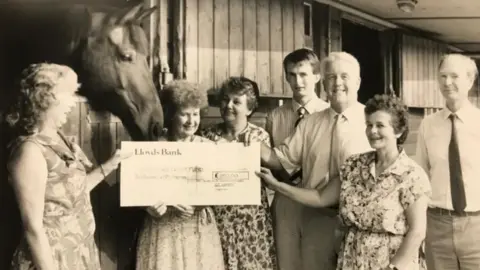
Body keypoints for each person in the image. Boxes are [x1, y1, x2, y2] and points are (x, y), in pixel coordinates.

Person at [257, 93, 431, 270]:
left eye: (380, 125)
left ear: (398, 131)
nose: (372, 131)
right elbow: (320, 197)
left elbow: (417, 232)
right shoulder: (354, 165)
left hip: (390, 263)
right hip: (352, 260)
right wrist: (277, 185)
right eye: (369, 125)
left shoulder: (412, 175)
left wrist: (393, 268)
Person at [245, 51, 371, 269]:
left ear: (358, 82)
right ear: (323, 82)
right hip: (317, 218)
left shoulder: (372, 121)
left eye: (344, 76)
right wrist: (245, 137)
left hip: (360, 223)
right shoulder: (310, 123)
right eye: (331, 77)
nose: (337, 83)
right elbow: (280, 158)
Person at [6, 63, 129, 270]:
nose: (73, 103)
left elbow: (71, 192)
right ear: (46, 99)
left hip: (79, 253)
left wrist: (110, 165)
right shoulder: (30, 151)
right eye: (69, 95)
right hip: (51, 260)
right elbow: (33, 228)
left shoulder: (58, 137)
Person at [135, 80, 225, 270]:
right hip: (163, 228)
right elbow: (137, 189)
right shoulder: (153, 148)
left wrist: (200, 205)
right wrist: (147, 206)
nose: (192, 121)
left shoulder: (209, 147)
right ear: (171, 115)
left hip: (198, 227)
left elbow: (219, 189)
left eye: (196, 114)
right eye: (185, 114)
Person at [200, 76, 277, 270]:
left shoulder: (260, 136)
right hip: (218, 221)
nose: (228, 106)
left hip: (251, 222)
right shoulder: (207, 136)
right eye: (225, 100)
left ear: (250, 108)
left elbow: (271, 177)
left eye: (236, 101)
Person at [264, 48, 329, 269]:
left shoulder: (328, 114)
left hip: (317, 200)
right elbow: (271, 160)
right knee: (286, 263)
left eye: (303, 74)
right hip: (285, 200)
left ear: (317, 77)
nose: (297, 81)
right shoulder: (275, 117)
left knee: (317, 263)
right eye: (292, 75)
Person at [416, 53, 480, 270]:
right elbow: (421, 178)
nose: (447, 82)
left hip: (476, 226)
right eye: (442, 76)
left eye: (454, 76)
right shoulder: (428, 125)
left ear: (470, 81)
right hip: (437, 226)